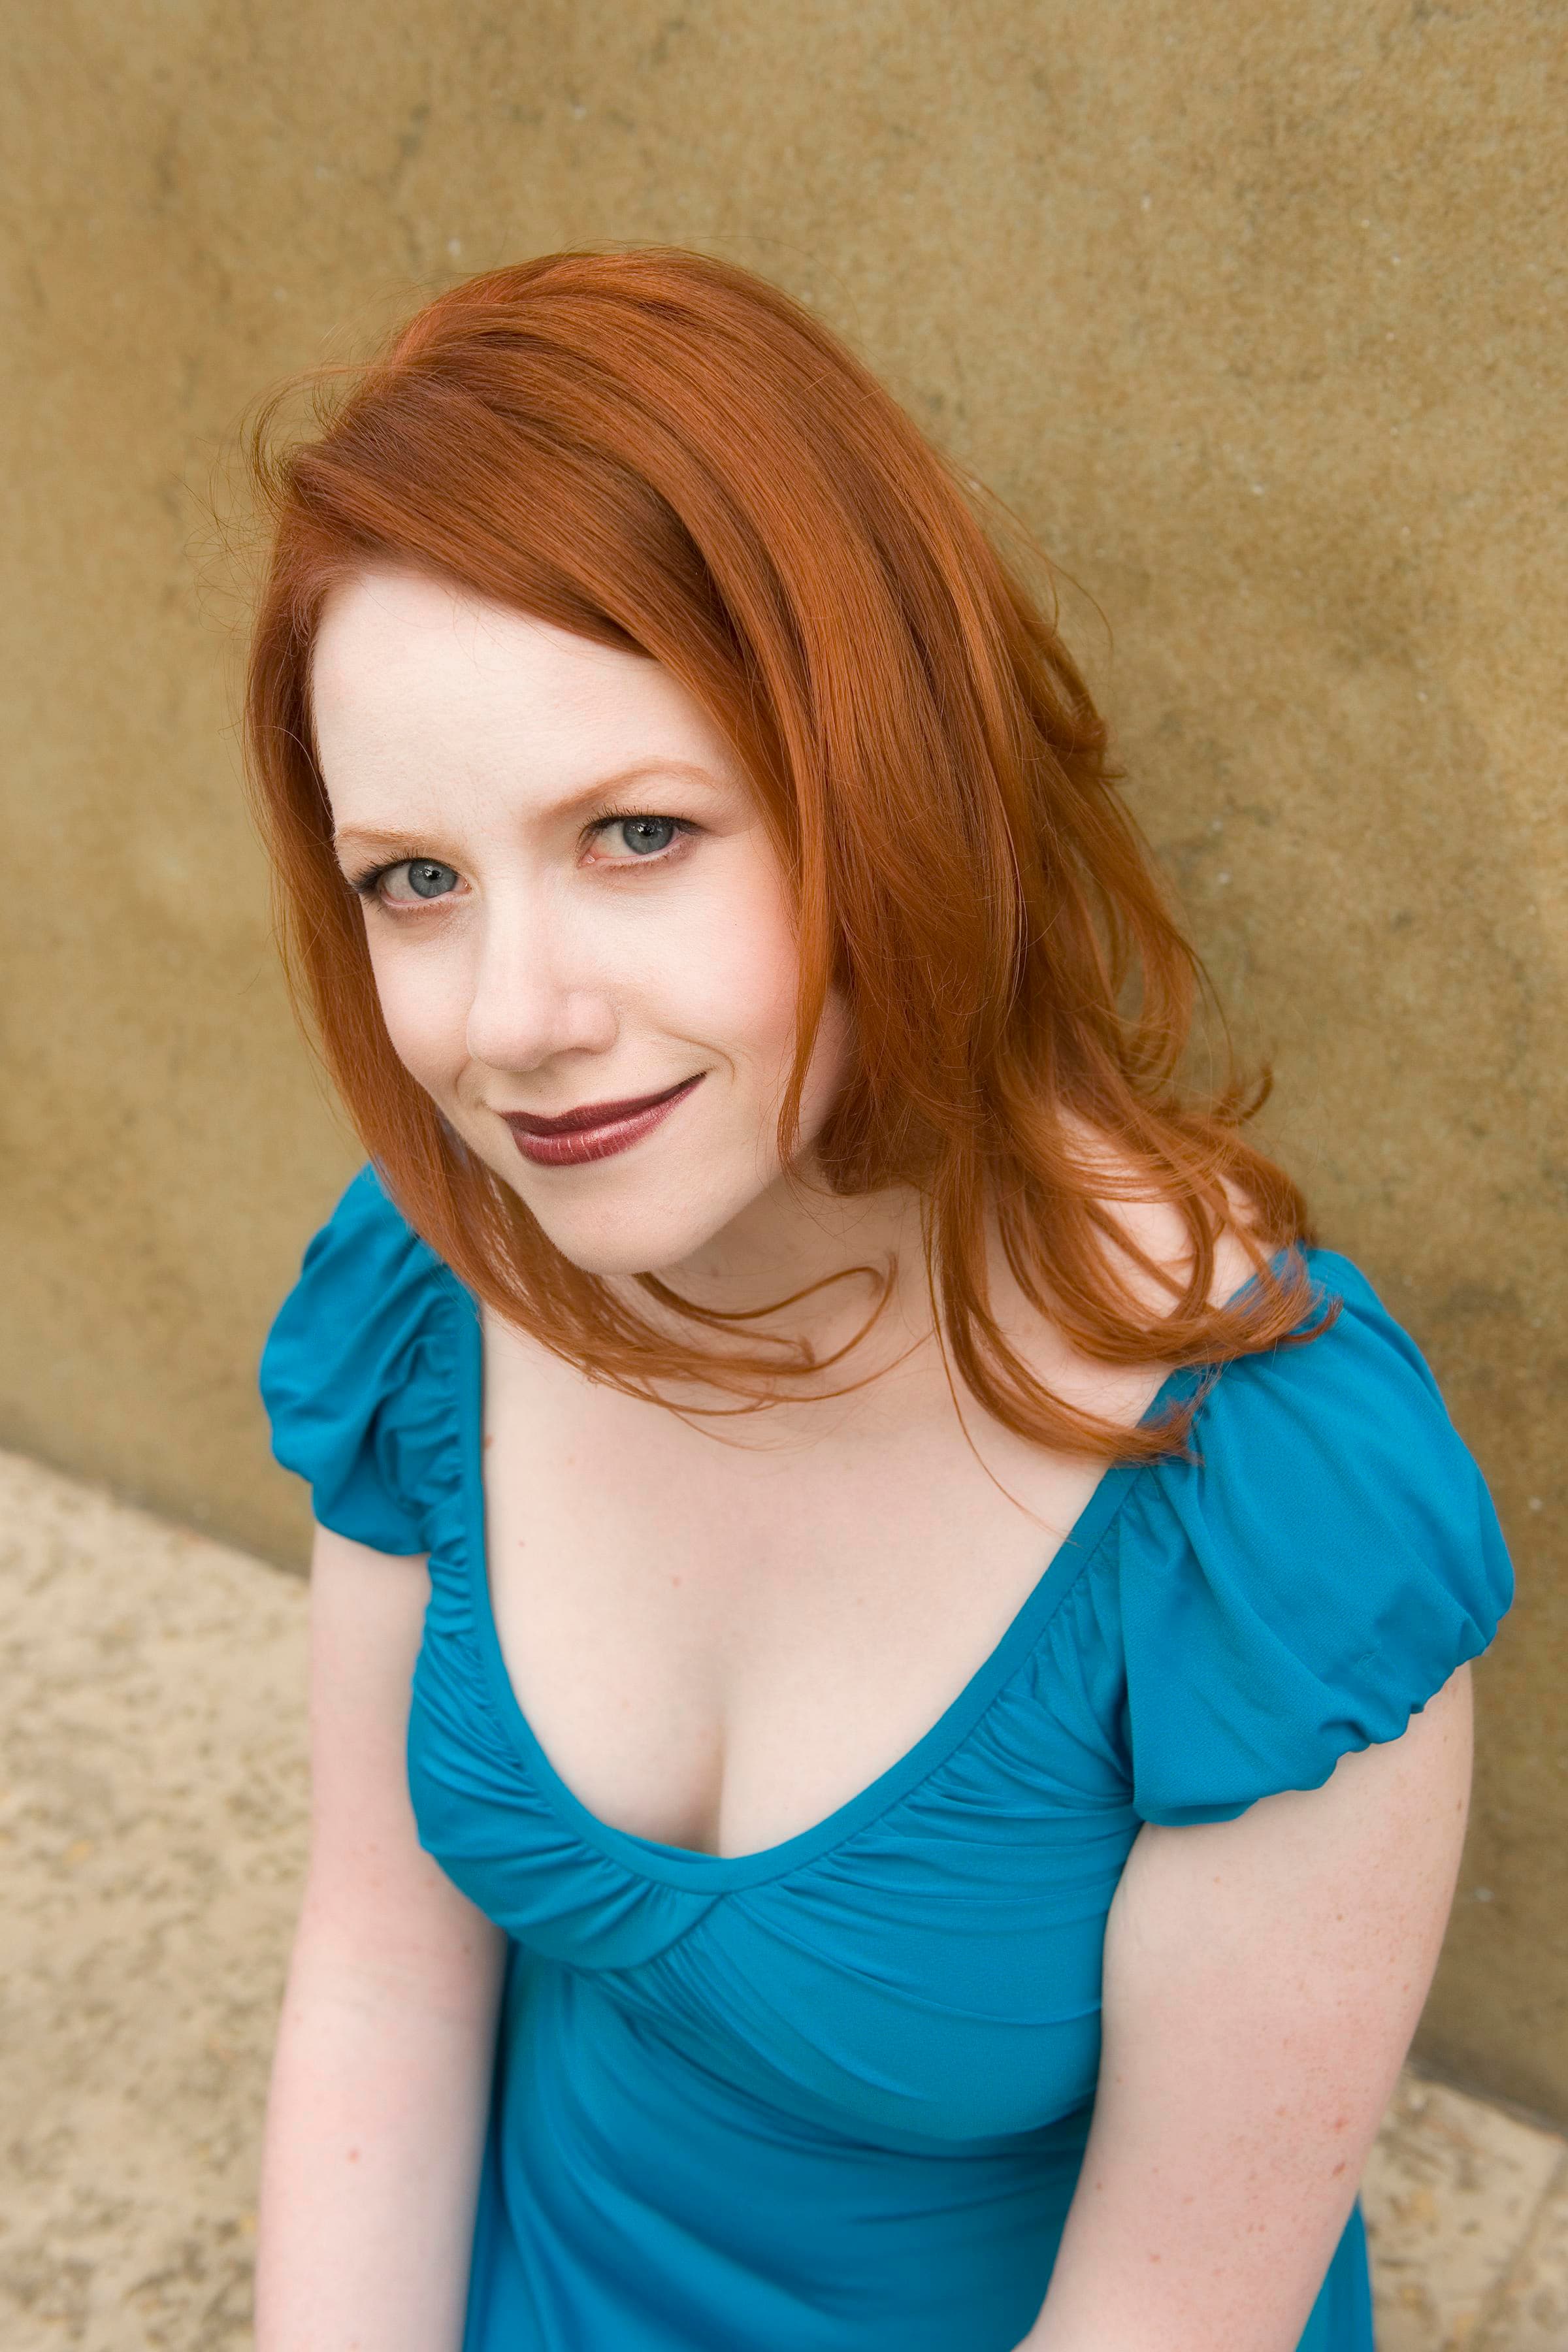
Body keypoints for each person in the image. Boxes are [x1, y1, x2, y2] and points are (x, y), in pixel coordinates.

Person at [245, 246, 1513, 2352]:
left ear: (887, 782)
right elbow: (384, 1977)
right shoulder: (435, 1278)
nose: (511, 1022)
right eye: (419, 880)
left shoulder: (1267, 1511)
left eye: (638, 833)